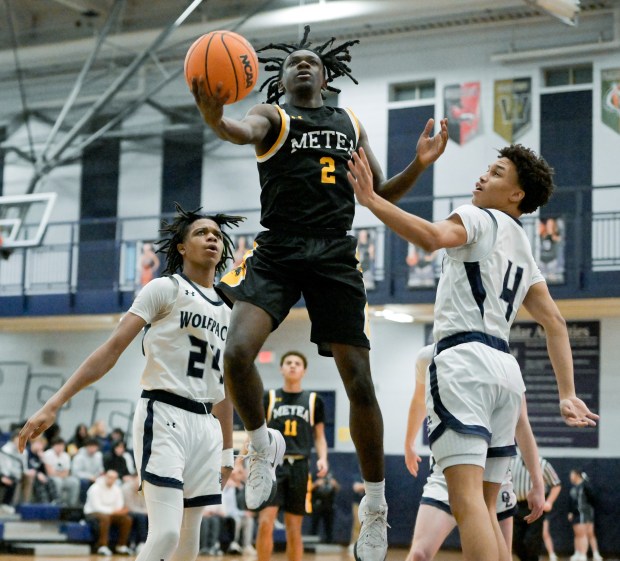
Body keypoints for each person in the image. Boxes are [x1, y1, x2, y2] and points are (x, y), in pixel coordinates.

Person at [191, 24, 449, 561]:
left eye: (312, 61)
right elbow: (237, 131)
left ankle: (375, 507)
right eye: (293, 62)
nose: (303, 65)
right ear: (280, 79)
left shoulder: (350, 122)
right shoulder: (272, 117)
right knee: (236, 352)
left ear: (327, 75)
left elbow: (379, 194)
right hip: (278, 250)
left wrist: (419, 165)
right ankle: (261, 444)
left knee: (360, 381)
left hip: (334, 253)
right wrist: (215, 116)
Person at [348, 143, 599, 561]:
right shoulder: (523, 246)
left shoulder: (478, 218)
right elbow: (554, 322)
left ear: (516, 194)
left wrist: (371, 200)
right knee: (484, 507)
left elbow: (430, 238)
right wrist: (567, 392)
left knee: (466, 504)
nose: (483, 176)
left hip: (464, 362)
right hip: (505, 371)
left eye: (497, 172)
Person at [18, 204, 244, 561]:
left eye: (216, 234)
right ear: (182, 247)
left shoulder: (231, 310)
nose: (212, 238)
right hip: (165, 413)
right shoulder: (164, 289)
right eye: (201, 233)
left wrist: (228, 450)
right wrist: (54, 403)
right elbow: (110, 350)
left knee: (189, 546)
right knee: (166, 533)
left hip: (208, 427)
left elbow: (226, 387)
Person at [404, 344, 545, 561]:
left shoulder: (504, 361)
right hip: (448, 474)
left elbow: (521, 422)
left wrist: (537, 481)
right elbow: (418, 401)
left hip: (492, 479)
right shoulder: (429, 356)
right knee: (419, 555)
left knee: (501, 557)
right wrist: (408, 443)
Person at [254, 350, 328, 561]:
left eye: (297, 363)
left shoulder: (314, 401)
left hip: (300, 467)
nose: (293, 366)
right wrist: (242, 460)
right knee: (265, 522)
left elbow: (320, 436)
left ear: (304, 370)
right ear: (281, 368)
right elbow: (257, 432)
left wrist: (323, 458)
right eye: (288, 362)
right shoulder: (268, 398)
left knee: (293, 527)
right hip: (272, 466)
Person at [512, 454, 561, 561]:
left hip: (535, 506)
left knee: (531, 541)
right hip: (517, 506)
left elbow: (556, 484)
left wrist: (549, 502)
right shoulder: (513, 462)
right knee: (515, 540)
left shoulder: (543, 463)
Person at [83, 469, 133, 556]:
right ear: (105, 477)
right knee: (105, 518)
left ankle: (121, 546)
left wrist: (116, 511)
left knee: (127, 519)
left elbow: (119, 505)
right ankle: (102, 546)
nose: (111, 480)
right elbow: (96, 507)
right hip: (92, 513)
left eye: (114, 478)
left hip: (110, 513)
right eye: (109, 477)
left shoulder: (117, 489)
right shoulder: (95, 488)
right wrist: (113, 511)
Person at [568, 469, 603, 561]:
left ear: (577, 475)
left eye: (572, 474)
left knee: (588, 534)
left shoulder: (585, 485)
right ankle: (578, 552)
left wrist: (585, 479)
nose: (570, 477)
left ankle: (589, 554)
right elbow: (572, 502)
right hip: (576, 514)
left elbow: (593, 497)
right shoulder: (573, 488)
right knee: (578, 534)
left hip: (584, 513)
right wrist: (571, 512)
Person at [42, 437, 80, 506]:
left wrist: (58, 473)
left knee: (75, 482)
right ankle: (58, 503)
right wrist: (60, 474)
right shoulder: (47, 454)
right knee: (57, 481)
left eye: (62, 445)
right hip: (50, 478)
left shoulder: (66, 456)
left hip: (63, 478)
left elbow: (67, 472)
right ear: (53, 446)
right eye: (58, 445)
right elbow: (50, 473)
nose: (60, 447)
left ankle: (71, 505)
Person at [71, 437, 104, 504]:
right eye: (90, 447)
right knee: (84, 482)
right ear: (86, 447)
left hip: (95, 477)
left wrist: (100, 473)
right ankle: (83, 503)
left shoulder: (99, 455)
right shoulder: (79, 456)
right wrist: (89, 477)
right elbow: (76, 472)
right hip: (81, 478)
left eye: (94, 447)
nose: (92, 449)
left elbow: (100, 468)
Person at [311, 471, 340, 544]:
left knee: (329, 526)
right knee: (314, 525)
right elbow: (308, 488)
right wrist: (316, 484)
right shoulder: (315, 475)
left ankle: (329, 542)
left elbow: (338, 488)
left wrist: (334, 484)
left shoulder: (332, 476)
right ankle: (311, 542)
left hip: (329, 505)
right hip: (317, 504)